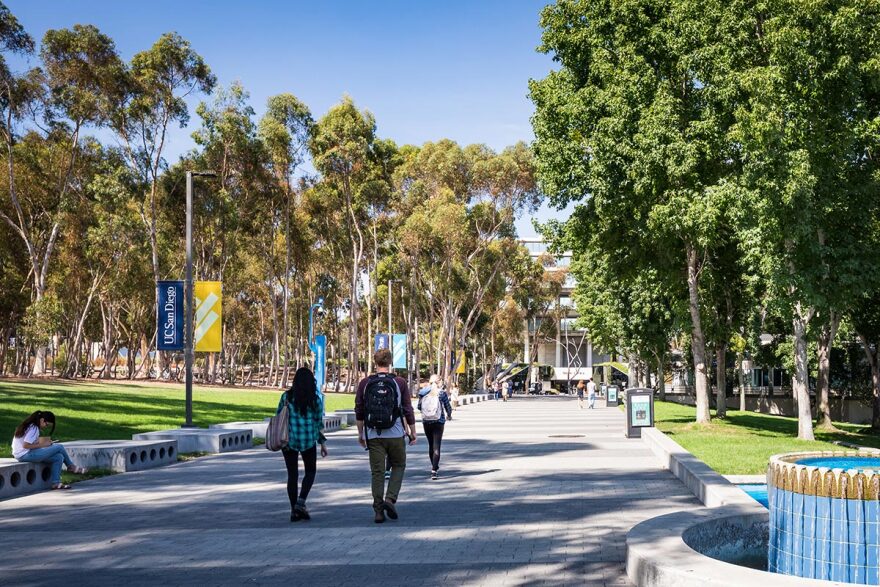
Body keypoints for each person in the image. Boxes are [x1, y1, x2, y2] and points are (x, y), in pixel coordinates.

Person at [356, 348, 417, 524]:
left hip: (373, 434)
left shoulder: (365, 383)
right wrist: (413, 432)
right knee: (399, 465)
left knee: (377, 472)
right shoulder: (399, 382)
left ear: (375, 362)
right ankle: (390, 499)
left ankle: (378, 510)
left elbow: (359, 410)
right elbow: (407, 409)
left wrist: (361, 433)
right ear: (390, 362)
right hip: (396, 433)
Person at [276, 367, 328, 522]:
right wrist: (322, 443)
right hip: (308, 440)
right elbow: (318, 422)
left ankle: (294, 510)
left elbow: (279, 416)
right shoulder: (315, 400)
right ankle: (301, 501)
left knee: (292, 475)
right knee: (310, 472)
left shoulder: (286, 397)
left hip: (289, 441)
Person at [12, 411, 87, 490]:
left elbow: (32, 441)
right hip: (25, 455)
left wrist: (45, 442)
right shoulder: (34, 428)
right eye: (46, 424)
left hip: (24, 454)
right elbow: (26, 445)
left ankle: (56, 483)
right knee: (59, 447)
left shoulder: (30, 426)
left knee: (59, 457)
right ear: (42, 420)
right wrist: (43, 445)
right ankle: (71, 466)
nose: (46, 426)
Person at [418, 375, 453, 480]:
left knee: (430, 445)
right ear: (439, 382)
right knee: (436, 446)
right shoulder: (441, 393)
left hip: (426, 421)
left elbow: (419, 407)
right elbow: (448, 406)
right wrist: (449, 415)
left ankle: (434, 465)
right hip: (439, 421)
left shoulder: (423, 392)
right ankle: (434, 470)